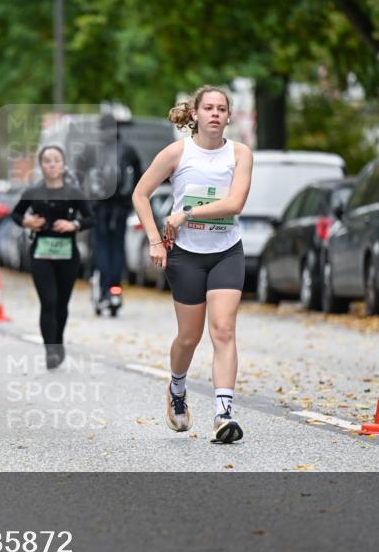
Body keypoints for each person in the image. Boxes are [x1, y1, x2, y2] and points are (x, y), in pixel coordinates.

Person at [132, 86, 252, 444]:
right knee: (189, 337)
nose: (215, 114)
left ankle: (223, 412)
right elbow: (140, 194)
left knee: (223, 329)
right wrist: (155, 239)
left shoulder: (241, 154)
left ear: (229, 117)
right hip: (186, 256)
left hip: (226, 251)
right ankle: (177, 387)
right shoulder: (177, 152)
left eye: (221, 109)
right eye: (208, 108)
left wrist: (186, 213)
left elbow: (235, 203)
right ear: (195, 114)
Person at [11, 146, 94, 368]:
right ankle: (51, 350)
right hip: (41, 253)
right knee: (48, 301)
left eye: (56, 160)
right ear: (41, 166)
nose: (52, 165)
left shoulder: (74, 192)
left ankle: (58, 342)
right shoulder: (33, 192)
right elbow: (15, 214)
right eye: (47, 161)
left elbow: (90, 218)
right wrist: (27, 222)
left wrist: (73, 224)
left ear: (63, 164)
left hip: (68, 255)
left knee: (61, 304)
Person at [80, 114, 142, 317]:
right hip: (121, 207)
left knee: (100, 247)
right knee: (118, 248)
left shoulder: (91, 149)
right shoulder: (128, 149)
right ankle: (115, 289)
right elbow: (140, 176)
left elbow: (78, 175)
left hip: (98, 206)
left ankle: (105, 289)